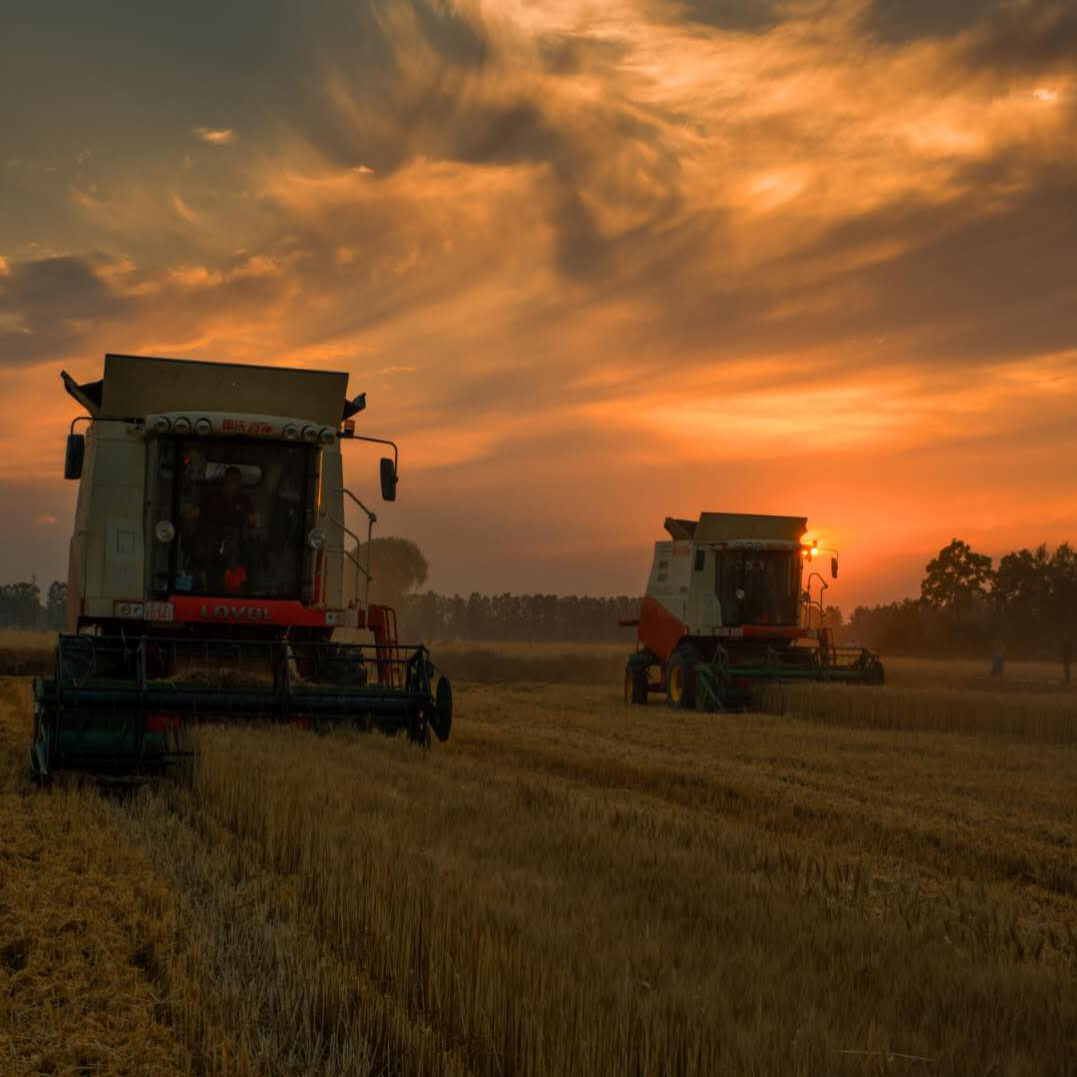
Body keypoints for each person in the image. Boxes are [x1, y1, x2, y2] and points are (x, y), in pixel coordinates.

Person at [188, 467, 259, 592]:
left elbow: (252, 521)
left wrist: (252, 520)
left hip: (237, 540)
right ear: (225, 481)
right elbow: (195, 515)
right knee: (205, 557)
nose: (235, 484)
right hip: (212, 538)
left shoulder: (243, 499)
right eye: (232, 481)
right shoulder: (211, 497)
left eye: (238, 482)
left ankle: (245, 590)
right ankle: (207, 587)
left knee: (252, 556)